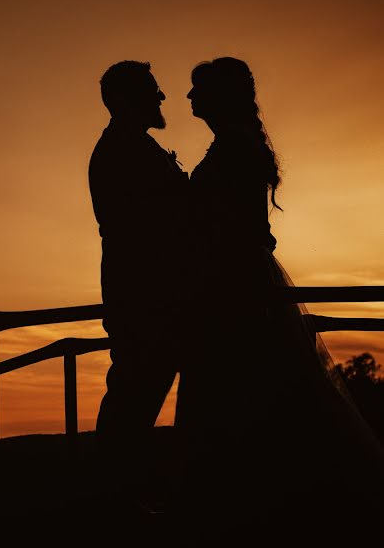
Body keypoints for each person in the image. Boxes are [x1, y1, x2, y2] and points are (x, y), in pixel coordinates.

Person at [176, 56, 384, 541]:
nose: (188, 98)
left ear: (218, 96)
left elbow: (232, 227)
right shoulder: (233, 145)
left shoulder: (233, 149)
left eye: (196, 89)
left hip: (234, 288)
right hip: (234, 281)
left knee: (244, 387)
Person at [87, 60, 192, 508]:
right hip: (144, 295)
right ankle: (112, 497)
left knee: (138, 389)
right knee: (136, 391)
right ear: (127, 100)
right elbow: (153, 226)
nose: (163, 97)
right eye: (153, 89)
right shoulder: (121, 152)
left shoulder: (134, 147)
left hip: (152, 293)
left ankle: (117, 492)